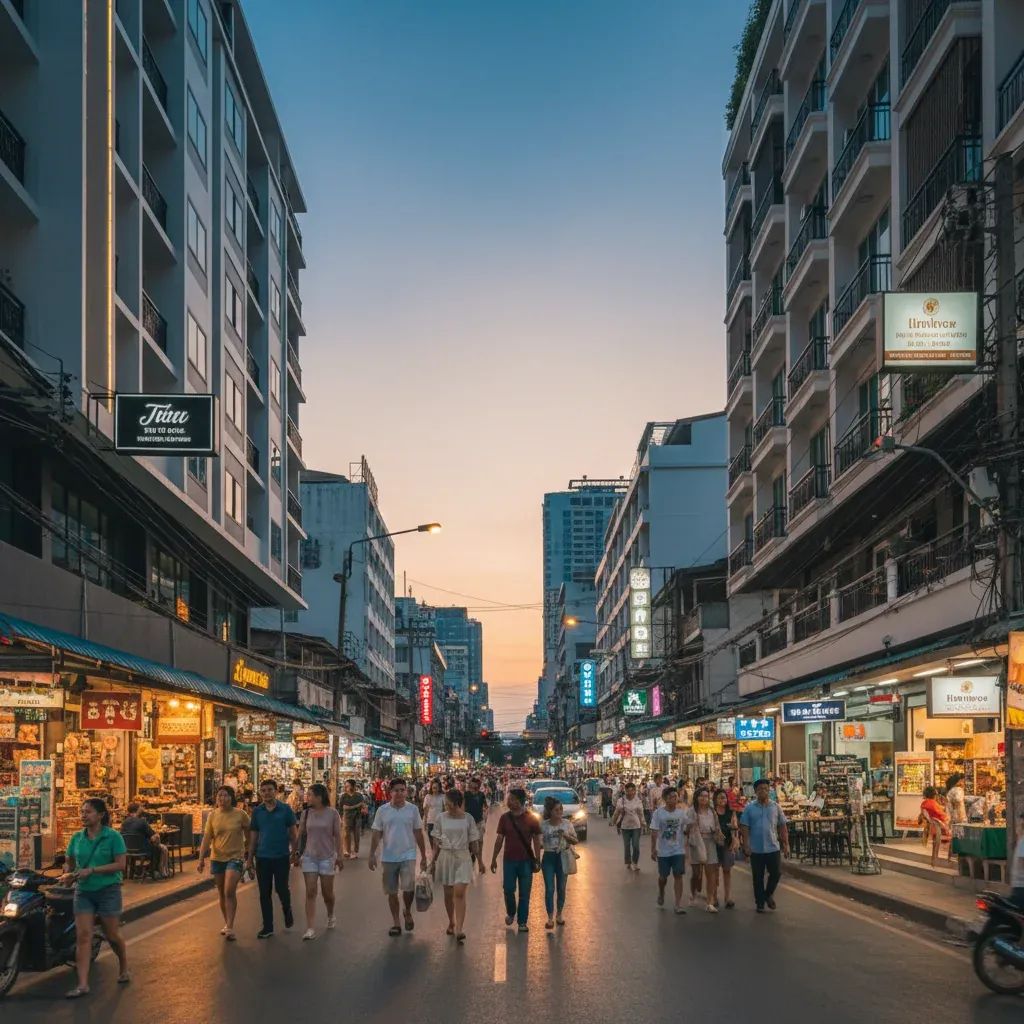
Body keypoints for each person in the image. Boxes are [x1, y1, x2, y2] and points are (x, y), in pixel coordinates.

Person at [61, 798, 129, 999]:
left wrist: (92, 870)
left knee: (111, 934)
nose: (83, 815)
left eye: (88, 812)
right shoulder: (76, 838)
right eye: (82, 811)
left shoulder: (113, 837)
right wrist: (68, 874)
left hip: (109, 890)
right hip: (83, 892)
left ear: (100, 815)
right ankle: (82, 984)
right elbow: (70, 863)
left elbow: (120, 865)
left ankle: (123, 965)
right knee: (83, 936)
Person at [369, 778, 429, 936]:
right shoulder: (382, 811)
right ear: (390, 793)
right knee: (392, 892)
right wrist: (372, 854)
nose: (400, 793)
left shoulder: (413, 810)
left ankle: (407, 910)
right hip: (388, 856)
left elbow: (418, 832)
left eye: (403, 790)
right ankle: (396, 923)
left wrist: (423, 855)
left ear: (406, 792)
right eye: (396, 790)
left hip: (408, 854)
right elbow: (376, 833)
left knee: (408, 888)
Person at [245, 779, 298, 939]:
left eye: (269, 790)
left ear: (275, 791)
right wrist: (249, 859)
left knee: (282, 889)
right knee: (264, 893)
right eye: (263, 790)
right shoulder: (257, 812)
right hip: (262, 858)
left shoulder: (285, 809)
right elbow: (253, 837)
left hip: (281, 856)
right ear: (260, 793)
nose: (266, 793)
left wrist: (294, 853)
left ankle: (287, 910)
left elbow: (293, 834)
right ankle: (268, 926)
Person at [431, 788, 483, 943]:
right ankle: (451, 922)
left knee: (459, 893)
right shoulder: (440, 818)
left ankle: (459, 928)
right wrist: (432, 860)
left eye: (449, 803)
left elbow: (474, 842)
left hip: (463, 857)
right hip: (446, 857)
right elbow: (436, 841)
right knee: (448, 894)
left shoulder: (468, 819)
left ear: (456, 803)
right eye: (446, 804)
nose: (447, 806)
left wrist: (480, 861)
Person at [198, 785, 251, 940]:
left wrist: (248, 852)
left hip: (235, 857)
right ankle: (227, 923)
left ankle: (230, 926)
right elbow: (207, 838)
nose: (222, 799)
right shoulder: (213, 815)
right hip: (217, 858)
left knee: (229, 890)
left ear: (231, 797)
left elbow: (249, 834)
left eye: (225, 795)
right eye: (219, 796)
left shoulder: (240, 814)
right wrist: (201, 859)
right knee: (221, 892)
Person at [295, 782, 343, 940]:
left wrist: (340, 856)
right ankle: (310, 928)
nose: (306, 797)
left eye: (310, 794)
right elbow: (300, 834)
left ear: (319, 796)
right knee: (310, 891)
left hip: (327, 857)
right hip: (309, 856)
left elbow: (338, 836)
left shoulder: (333, 813)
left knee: (327, 893)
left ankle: (330, 914)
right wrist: (295, 852)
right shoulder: (306, 813)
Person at [490, 787, 542, 933]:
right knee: (508, 889)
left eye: (512, 799)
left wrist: (538, 859)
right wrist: (493, 858)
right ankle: (511, 912)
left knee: (525, 894)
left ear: (520, 802)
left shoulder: (531, 818)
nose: (509, 801)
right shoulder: (504, 818)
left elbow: (537, 839)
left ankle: (522, 922)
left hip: (526, 862)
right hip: (509, 861)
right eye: (509, 798)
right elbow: (499, 839)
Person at [740, 777, 790, 913]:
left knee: (776, 873)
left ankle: (768, 894)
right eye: (760, 789)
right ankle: (760, 903)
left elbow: (782, 827)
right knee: (758, 877)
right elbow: (744, 827)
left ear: (769, 791)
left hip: (773, 847)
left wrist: (786, 845)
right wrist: (746, 845)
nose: (763, 791)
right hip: (756, 849)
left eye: (766, 789)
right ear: (756, 791)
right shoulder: (749, 808)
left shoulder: (776, 807)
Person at [539, 795, 578, 930]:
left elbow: (575, 841)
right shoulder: (543, 825)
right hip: (549, 857)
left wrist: (566, 836)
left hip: (563, 857)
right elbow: (538, 843)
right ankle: (550, 918)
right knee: (550, 889)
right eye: (556, 810)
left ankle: (559, 914)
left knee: (561, 888)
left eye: (560, 809)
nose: (559, 812)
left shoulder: (567, 824)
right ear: (550, 811)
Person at [649, 787, 690, 915]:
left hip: (678, 850)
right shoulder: (658, 813)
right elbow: (654, 832)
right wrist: (653, 849)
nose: (674, 799)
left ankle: (678, 904)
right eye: (671, 796)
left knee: (678, 875)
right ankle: (661, 891)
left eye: (676, 796)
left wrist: (687, 844)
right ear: (665, 799)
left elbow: (687, 827)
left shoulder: (681, 813)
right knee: (663, 877)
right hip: (663, 851)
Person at [120, 802, 170, 878]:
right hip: (142, 849)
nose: (142, 808)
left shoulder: (124, 822)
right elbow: (153, 836)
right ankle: (155, 870)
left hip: (128, 849)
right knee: (157, 848)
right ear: (137, 810)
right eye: (140, 807)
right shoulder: (142, 822)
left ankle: (138, 871)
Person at [689, 787, 719, 911]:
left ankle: (710, 901)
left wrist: (717, 833)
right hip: (696, 842)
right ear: (696, 797)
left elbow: (717, 826)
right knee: (696, 873)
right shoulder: (691, 811)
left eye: (706, 796)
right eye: (701, 795)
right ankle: (693, 892)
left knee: (711, 873)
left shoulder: (712, 811)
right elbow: (685, 829)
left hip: (710, 841)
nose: (703, 798)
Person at [710, 788, 739, 910]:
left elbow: (735, 827)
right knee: (715, 872)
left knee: (727, 871)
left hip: (727, 845)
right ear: (715, 800)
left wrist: (735, 840)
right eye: (720, 798)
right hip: (714, 845)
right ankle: (714, 897)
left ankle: (728, 897)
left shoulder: (731, 812)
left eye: (724, 798)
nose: (723, 800)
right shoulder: (712, 813)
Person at [612, 782, 644, 871]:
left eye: (631, 791)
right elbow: (616, 812)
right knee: (627, 846)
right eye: (627, 791)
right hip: (625, 826)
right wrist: (613, 821)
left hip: (636, 826)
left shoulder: (638, 801)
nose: (629, 793)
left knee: (636, 845)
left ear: (634, 791)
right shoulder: (621, 800)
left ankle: (635, 862)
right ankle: (628, 862)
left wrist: (643, 822)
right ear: (625, 791)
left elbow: (641, 814)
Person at [920, 785, 950, 868]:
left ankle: (934, 861)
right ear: (934, 795)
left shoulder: (924, 803)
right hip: (938, 826)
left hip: (930, 825)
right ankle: (943, 859)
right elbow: (942, 815)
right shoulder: (933, 803)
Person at [463, 776, 489, 862]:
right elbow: (462, 806)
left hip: (479, 822)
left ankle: (480, 860)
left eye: (474, 785)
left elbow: (485, 807)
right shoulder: (466, 794)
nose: (472, 787)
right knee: (470, 841)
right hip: (468, 822)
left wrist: (485, 818)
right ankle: (472, 855)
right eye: (471, 785)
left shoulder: (481, 795)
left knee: (480, 841)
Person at [339, 779, 367, 860]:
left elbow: (363, 805)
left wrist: (363, 808)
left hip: (357, 817)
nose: (346, 787)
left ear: (354, 786)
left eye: (348, 785)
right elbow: (342, 808)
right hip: (347, 817)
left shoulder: (359, 795)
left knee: (356, 835)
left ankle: (355, 851)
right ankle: (348, 851)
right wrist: (340, 817)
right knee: (346, 835)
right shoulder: (343, 796)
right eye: (346, 786)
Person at [422, 777, 446, 842]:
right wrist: (424, 823)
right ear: (431, 788)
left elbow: (445, 810)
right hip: (430, 822)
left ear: (439, 788)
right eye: (433, 788)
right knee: (432, 841)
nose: (435, 790)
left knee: (440, 842)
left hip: (440, 822)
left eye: (436, 788)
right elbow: (426, 811)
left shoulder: (443, 796)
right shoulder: (428, 797)